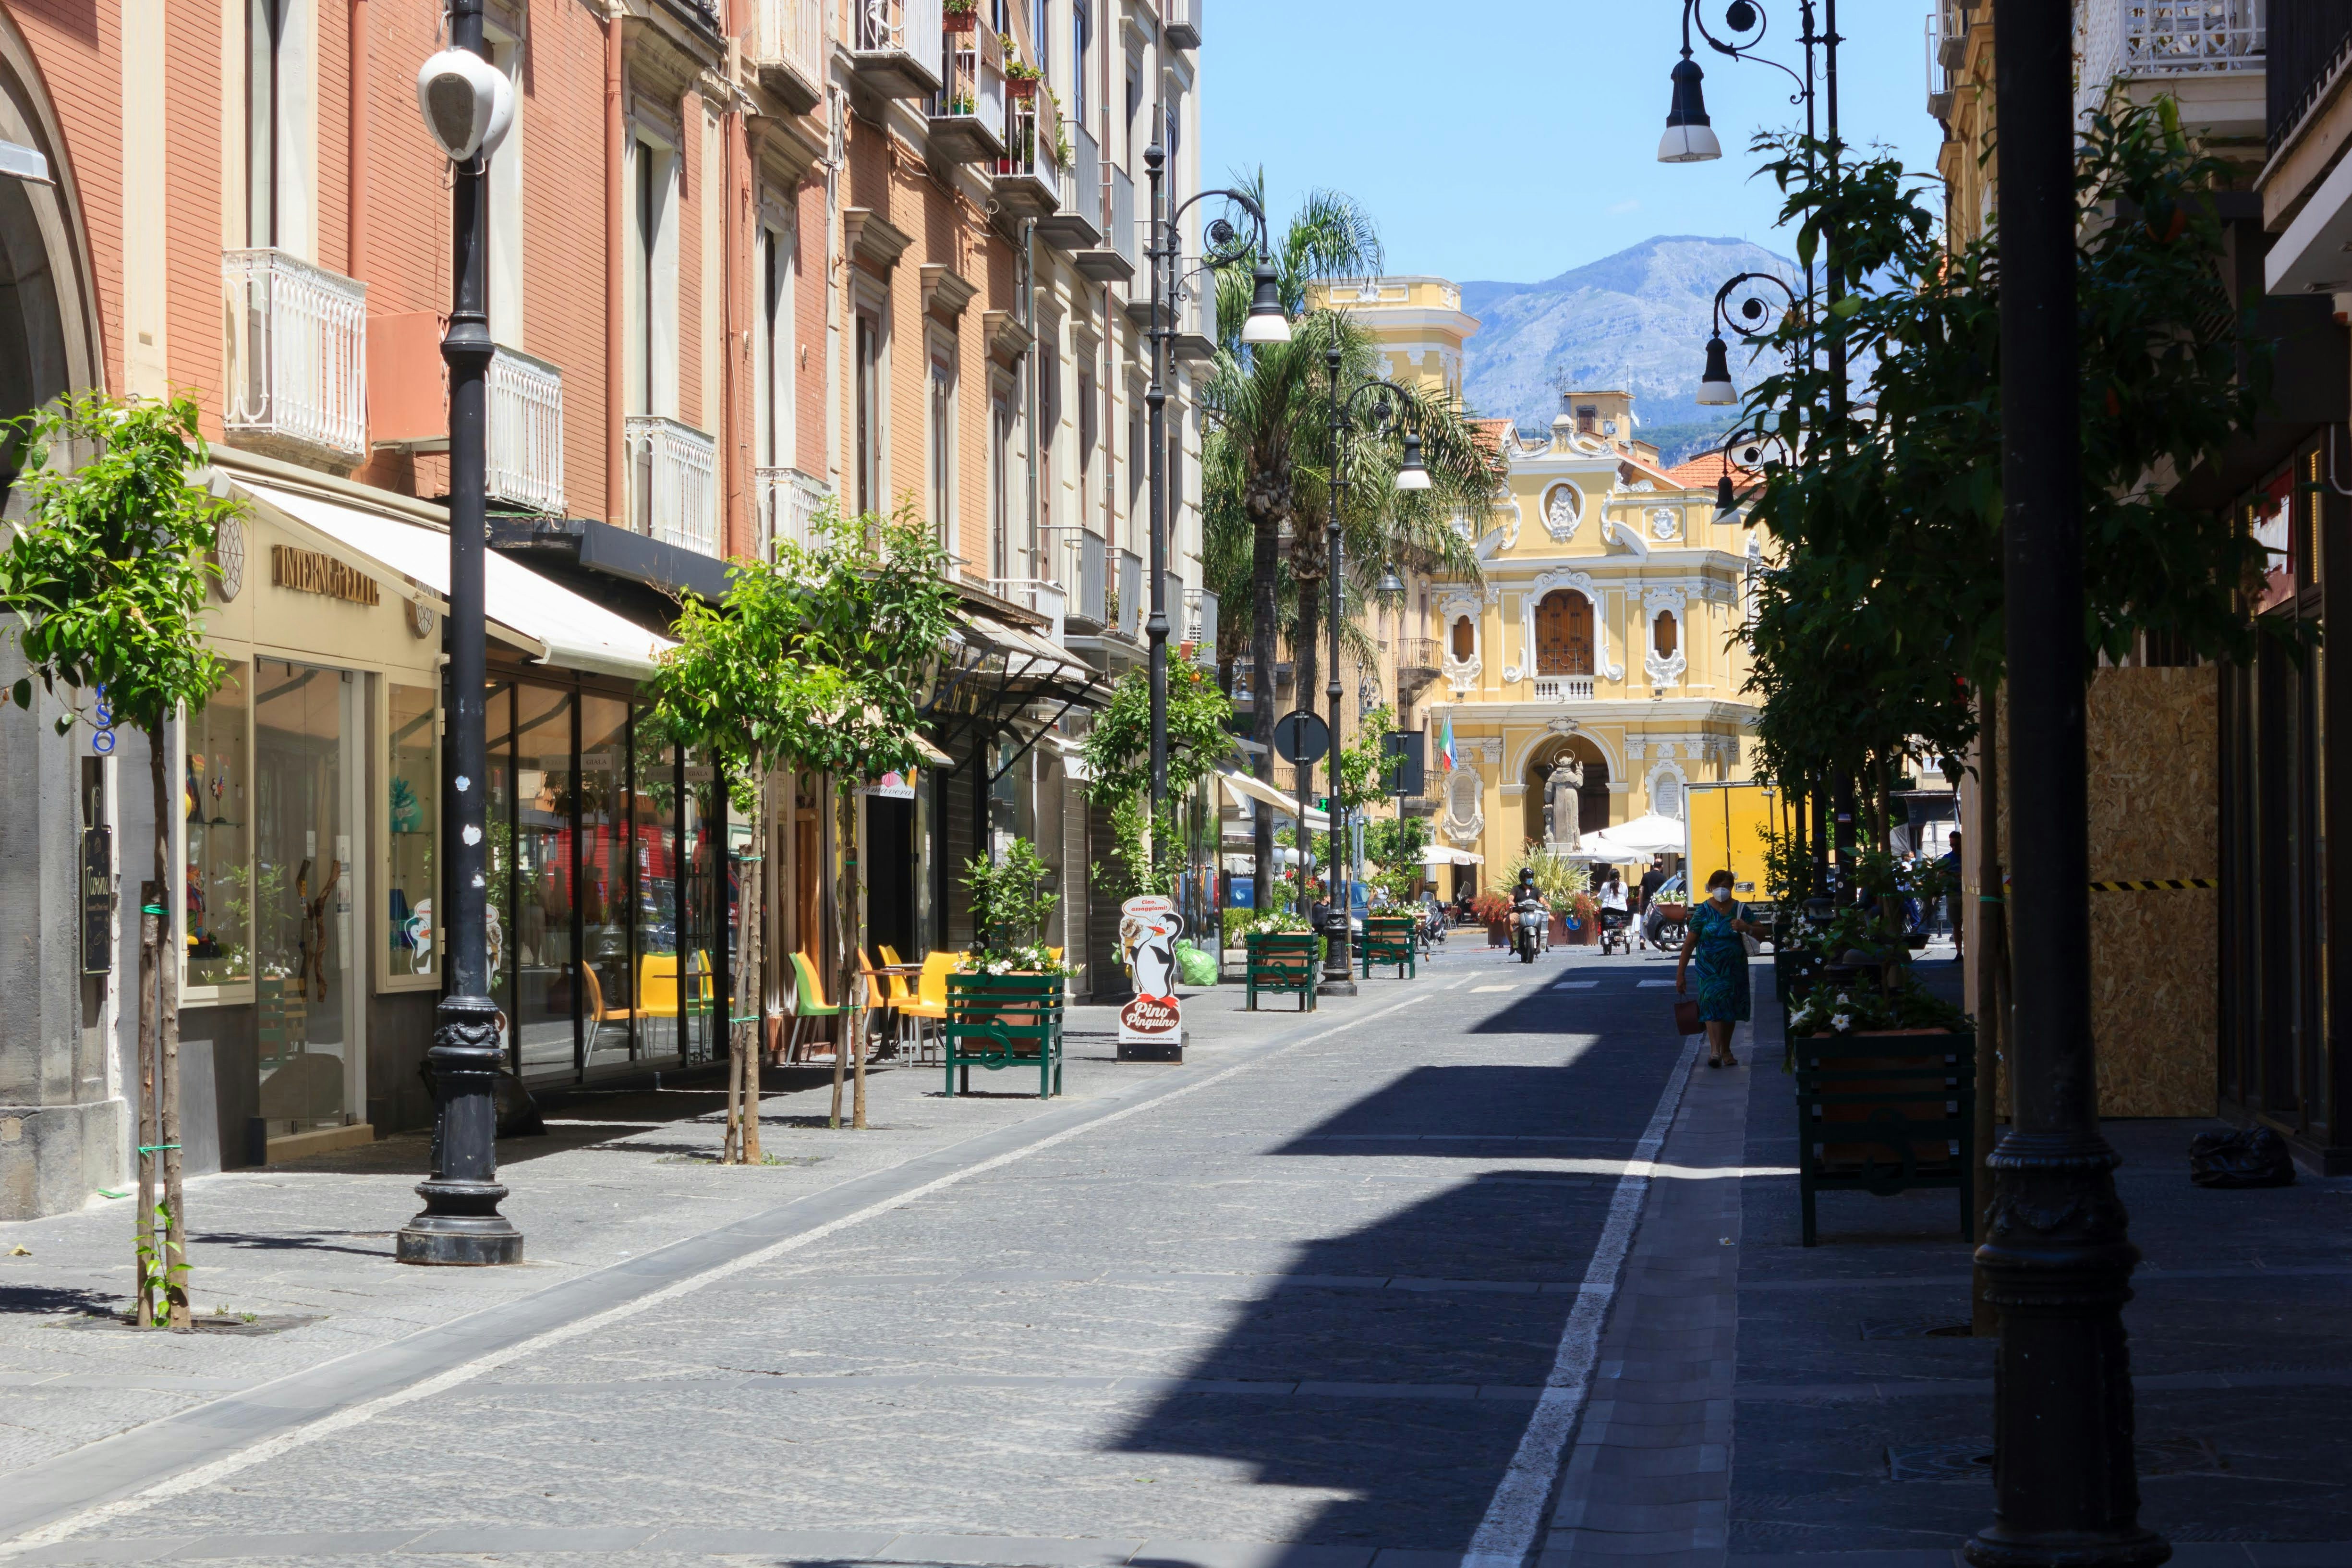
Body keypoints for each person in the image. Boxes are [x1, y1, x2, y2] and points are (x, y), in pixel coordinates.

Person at [1676, 868, 1763, 1069]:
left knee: (1729, 1009)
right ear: (1711, 888)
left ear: (1732, 888)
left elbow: (1762, 933)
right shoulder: (1703, 911)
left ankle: (1726, 1050)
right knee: (1711, 1006)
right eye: (1717, 887)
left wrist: (1746, 927)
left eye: (1725, 887)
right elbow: (1689, 944)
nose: (1721, 890)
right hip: (1709, 969)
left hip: (1734, 969)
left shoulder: (1741, 910)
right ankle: (1715, 1051)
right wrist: (1680, 974)